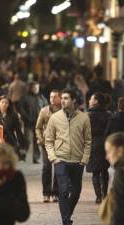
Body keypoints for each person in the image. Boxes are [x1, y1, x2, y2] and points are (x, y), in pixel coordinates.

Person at [45, 88, 92, 225]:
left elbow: (88, 141)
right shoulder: (55, 118)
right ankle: (66, 221)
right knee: (63, 191)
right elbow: (48, 140)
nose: (63, 101)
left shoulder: (84, 118)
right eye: (62, 98)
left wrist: (85, 159)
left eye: (66, 98)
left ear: (74, 100)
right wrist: (53, 157)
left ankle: (67, 214)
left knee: (76, 192)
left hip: (78, 161)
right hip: (61, 160)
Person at [35, 90, 61, 203]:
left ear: (60, 98)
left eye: (55, 97)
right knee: (46, 167)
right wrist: (40, 139)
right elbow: (38, 127)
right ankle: (46, 193)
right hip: (47, 143)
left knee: (58, 168)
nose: (52, 99)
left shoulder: (64, 111)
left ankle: (56, 193)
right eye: (51, 97)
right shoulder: (44, 111)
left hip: (60, 143)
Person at [86, 92, 111, 204]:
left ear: (96, 101)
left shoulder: (88, 115)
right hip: (105, 144)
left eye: (91, 98)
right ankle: (104, 194)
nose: (89, 100)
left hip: (93, 144)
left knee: (95, 172)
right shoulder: (108, 114)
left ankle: (98, 196)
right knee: (104, 170)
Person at [17, 82, 48, 163]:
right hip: (29, 123)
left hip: (39, 123)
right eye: (34, 88)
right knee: (27, 140)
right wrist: (26, 117)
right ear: (30, 88)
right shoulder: (25, 98)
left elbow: (46, 108)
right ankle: (22, 156)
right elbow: (20, 108)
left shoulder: (41, 98)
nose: (36, 89)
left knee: (36, 141)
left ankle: (35, 158)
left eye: (37, 88)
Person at [0, 95, 27, 160]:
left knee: (7, 162)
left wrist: (22, 146)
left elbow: (18, 131)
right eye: (2, 102)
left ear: (9, 105)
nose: (4, 104)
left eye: (6, 103)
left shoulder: (13, 115)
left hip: (10, 142)